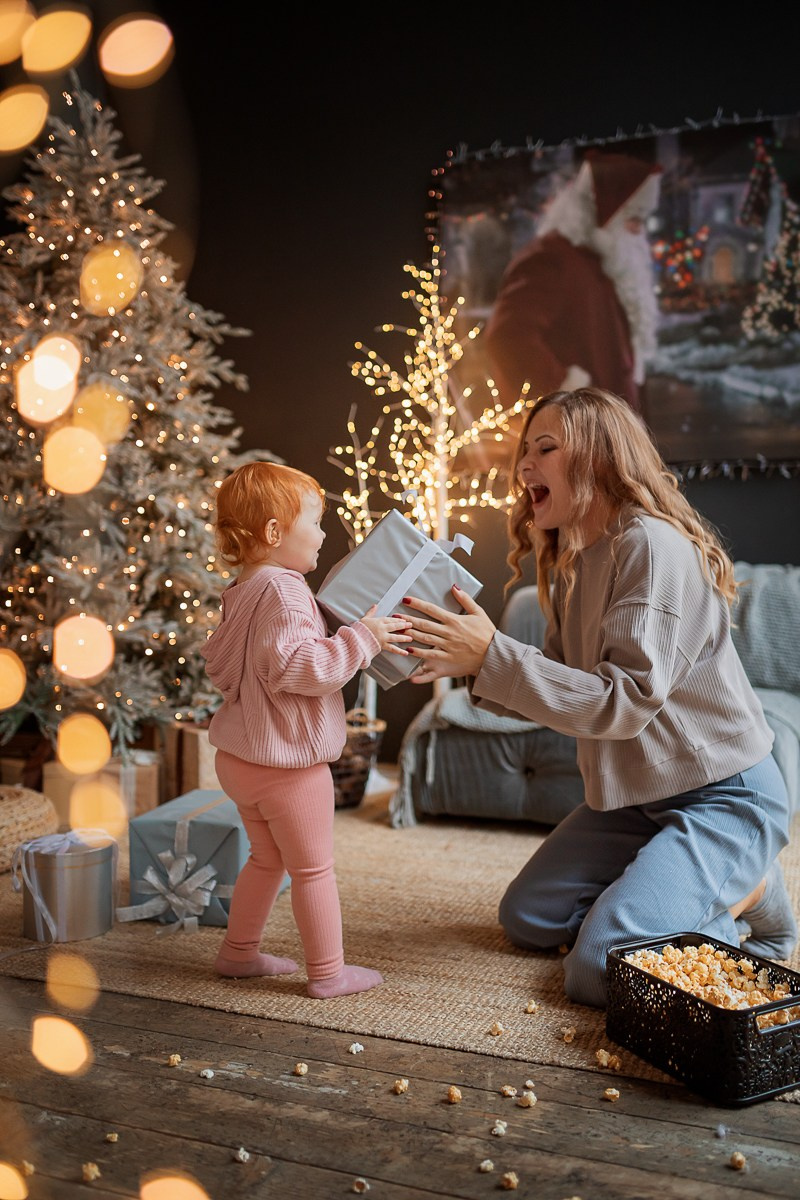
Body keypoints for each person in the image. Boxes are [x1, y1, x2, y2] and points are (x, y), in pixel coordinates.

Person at [400, 387, 797, 1009]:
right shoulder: (576, 560)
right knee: (528, 917)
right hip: (636, 798)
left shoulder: (650, 546)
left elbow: (623, 703)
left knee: (596, 967)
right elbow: (560, 681)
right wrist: (473, 665)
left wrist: (492, 656)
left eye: (546, 448)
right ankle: (684, 887)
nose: (523, 466)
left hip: (723, 793)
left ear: (600, 458)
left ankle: (751, 892)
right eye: (523, 453)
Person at [201, 461, 412, 999]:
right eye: (315, 523)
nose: (323, 534)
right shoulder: (287, 590)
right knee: (314, 870)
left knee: (267, 858)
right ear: (274, 533)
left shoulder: (242, 589)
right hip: (285, 766)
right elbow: (303, 669)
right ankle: (329, 973)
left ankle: (238, 953)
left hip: (240, 760)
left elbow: (231, 666)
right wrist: (364, 637)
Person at [484, 151, 663, 414]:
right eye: (633, 218)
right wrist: (565, 391)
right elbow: (509, 336)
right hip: (581, 437)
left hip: (608, 432)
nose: (640, 231)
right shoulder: (552, 258)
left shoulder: (604, 260)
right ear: (603, 212)